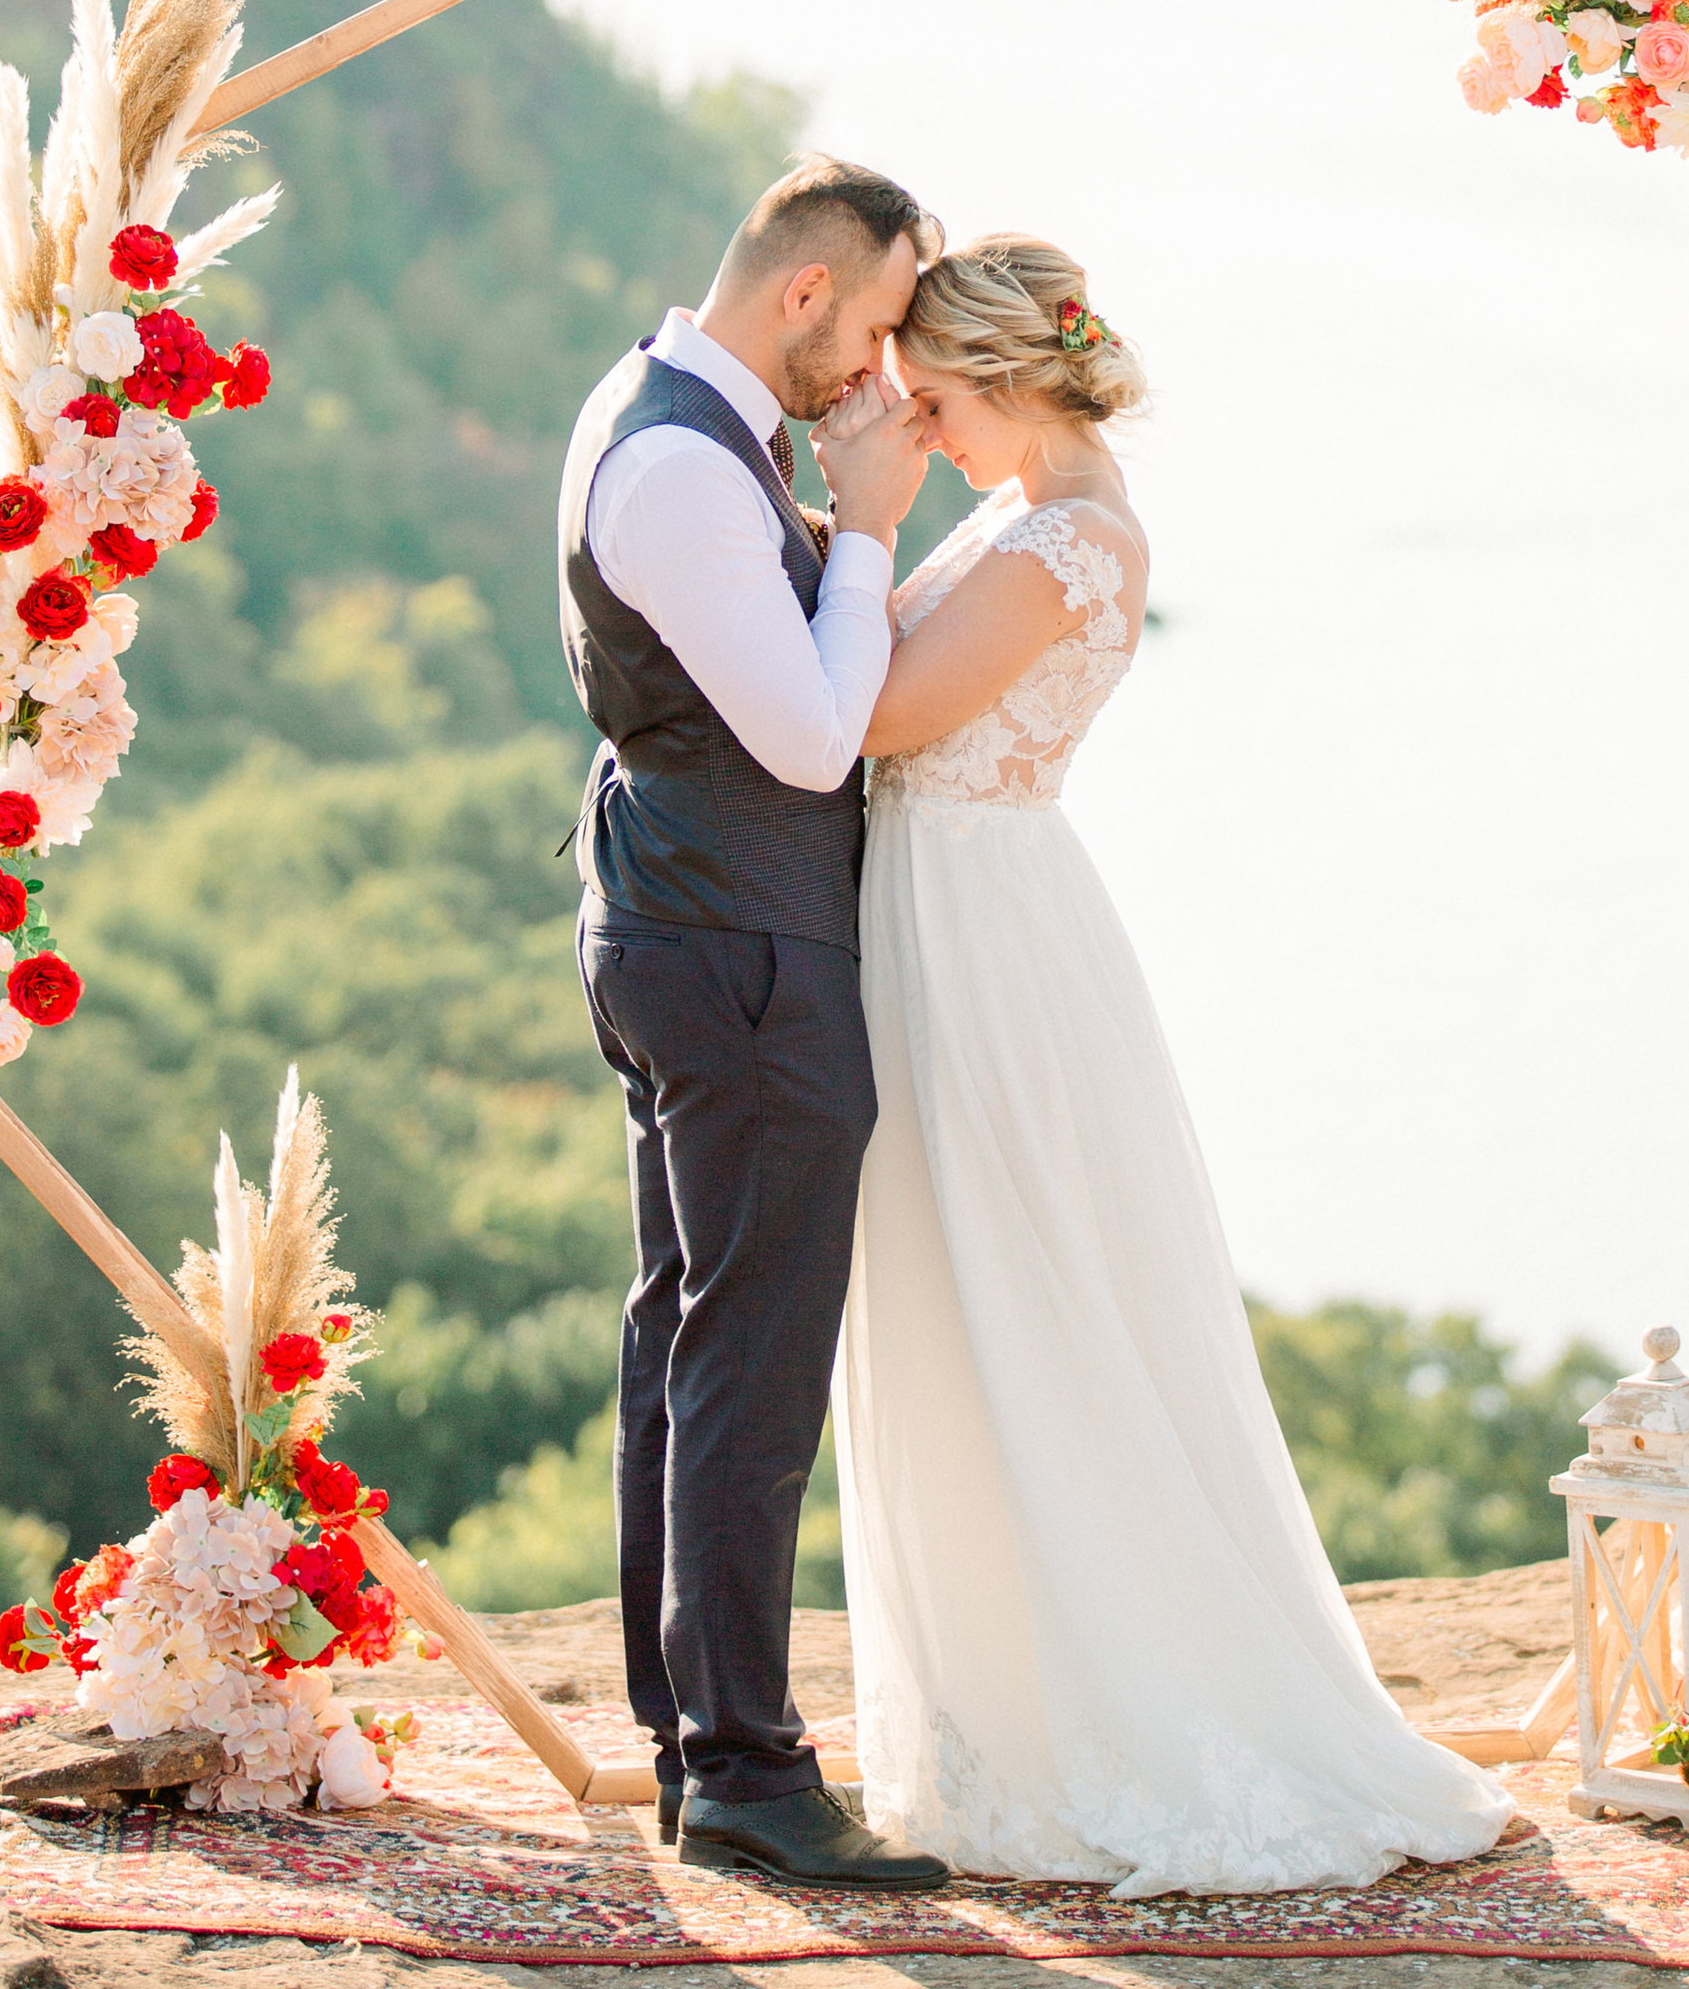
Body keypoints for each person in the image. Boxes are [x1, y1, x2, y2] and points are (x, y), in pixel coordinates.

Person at [830, 234, 1524, 1895]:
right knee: (958, 1293)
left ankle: (1117, 1715)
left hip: (980, 930)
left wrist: (861, 523)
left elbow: (882, 715)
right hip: (951, 903)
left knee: (1020, 1290)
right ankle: (1008, 1707)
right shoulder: (1027, 512)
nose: (921, 431)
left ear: (1005, 382)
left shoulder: (1066, 540)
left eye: (933, 402)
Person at [561, 155, 951, 1890]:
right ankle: (742, 1768)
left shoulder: (673, 417)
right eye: (872, 327)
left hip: (694, 927)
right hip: (739, 955)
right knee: (750, 1360)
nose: (877, 368)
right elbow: (808, 737)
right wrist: (866, 528)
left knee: (693, 1334)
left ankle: (692, 1742)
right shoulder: (676, 467)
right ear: (806, 291)